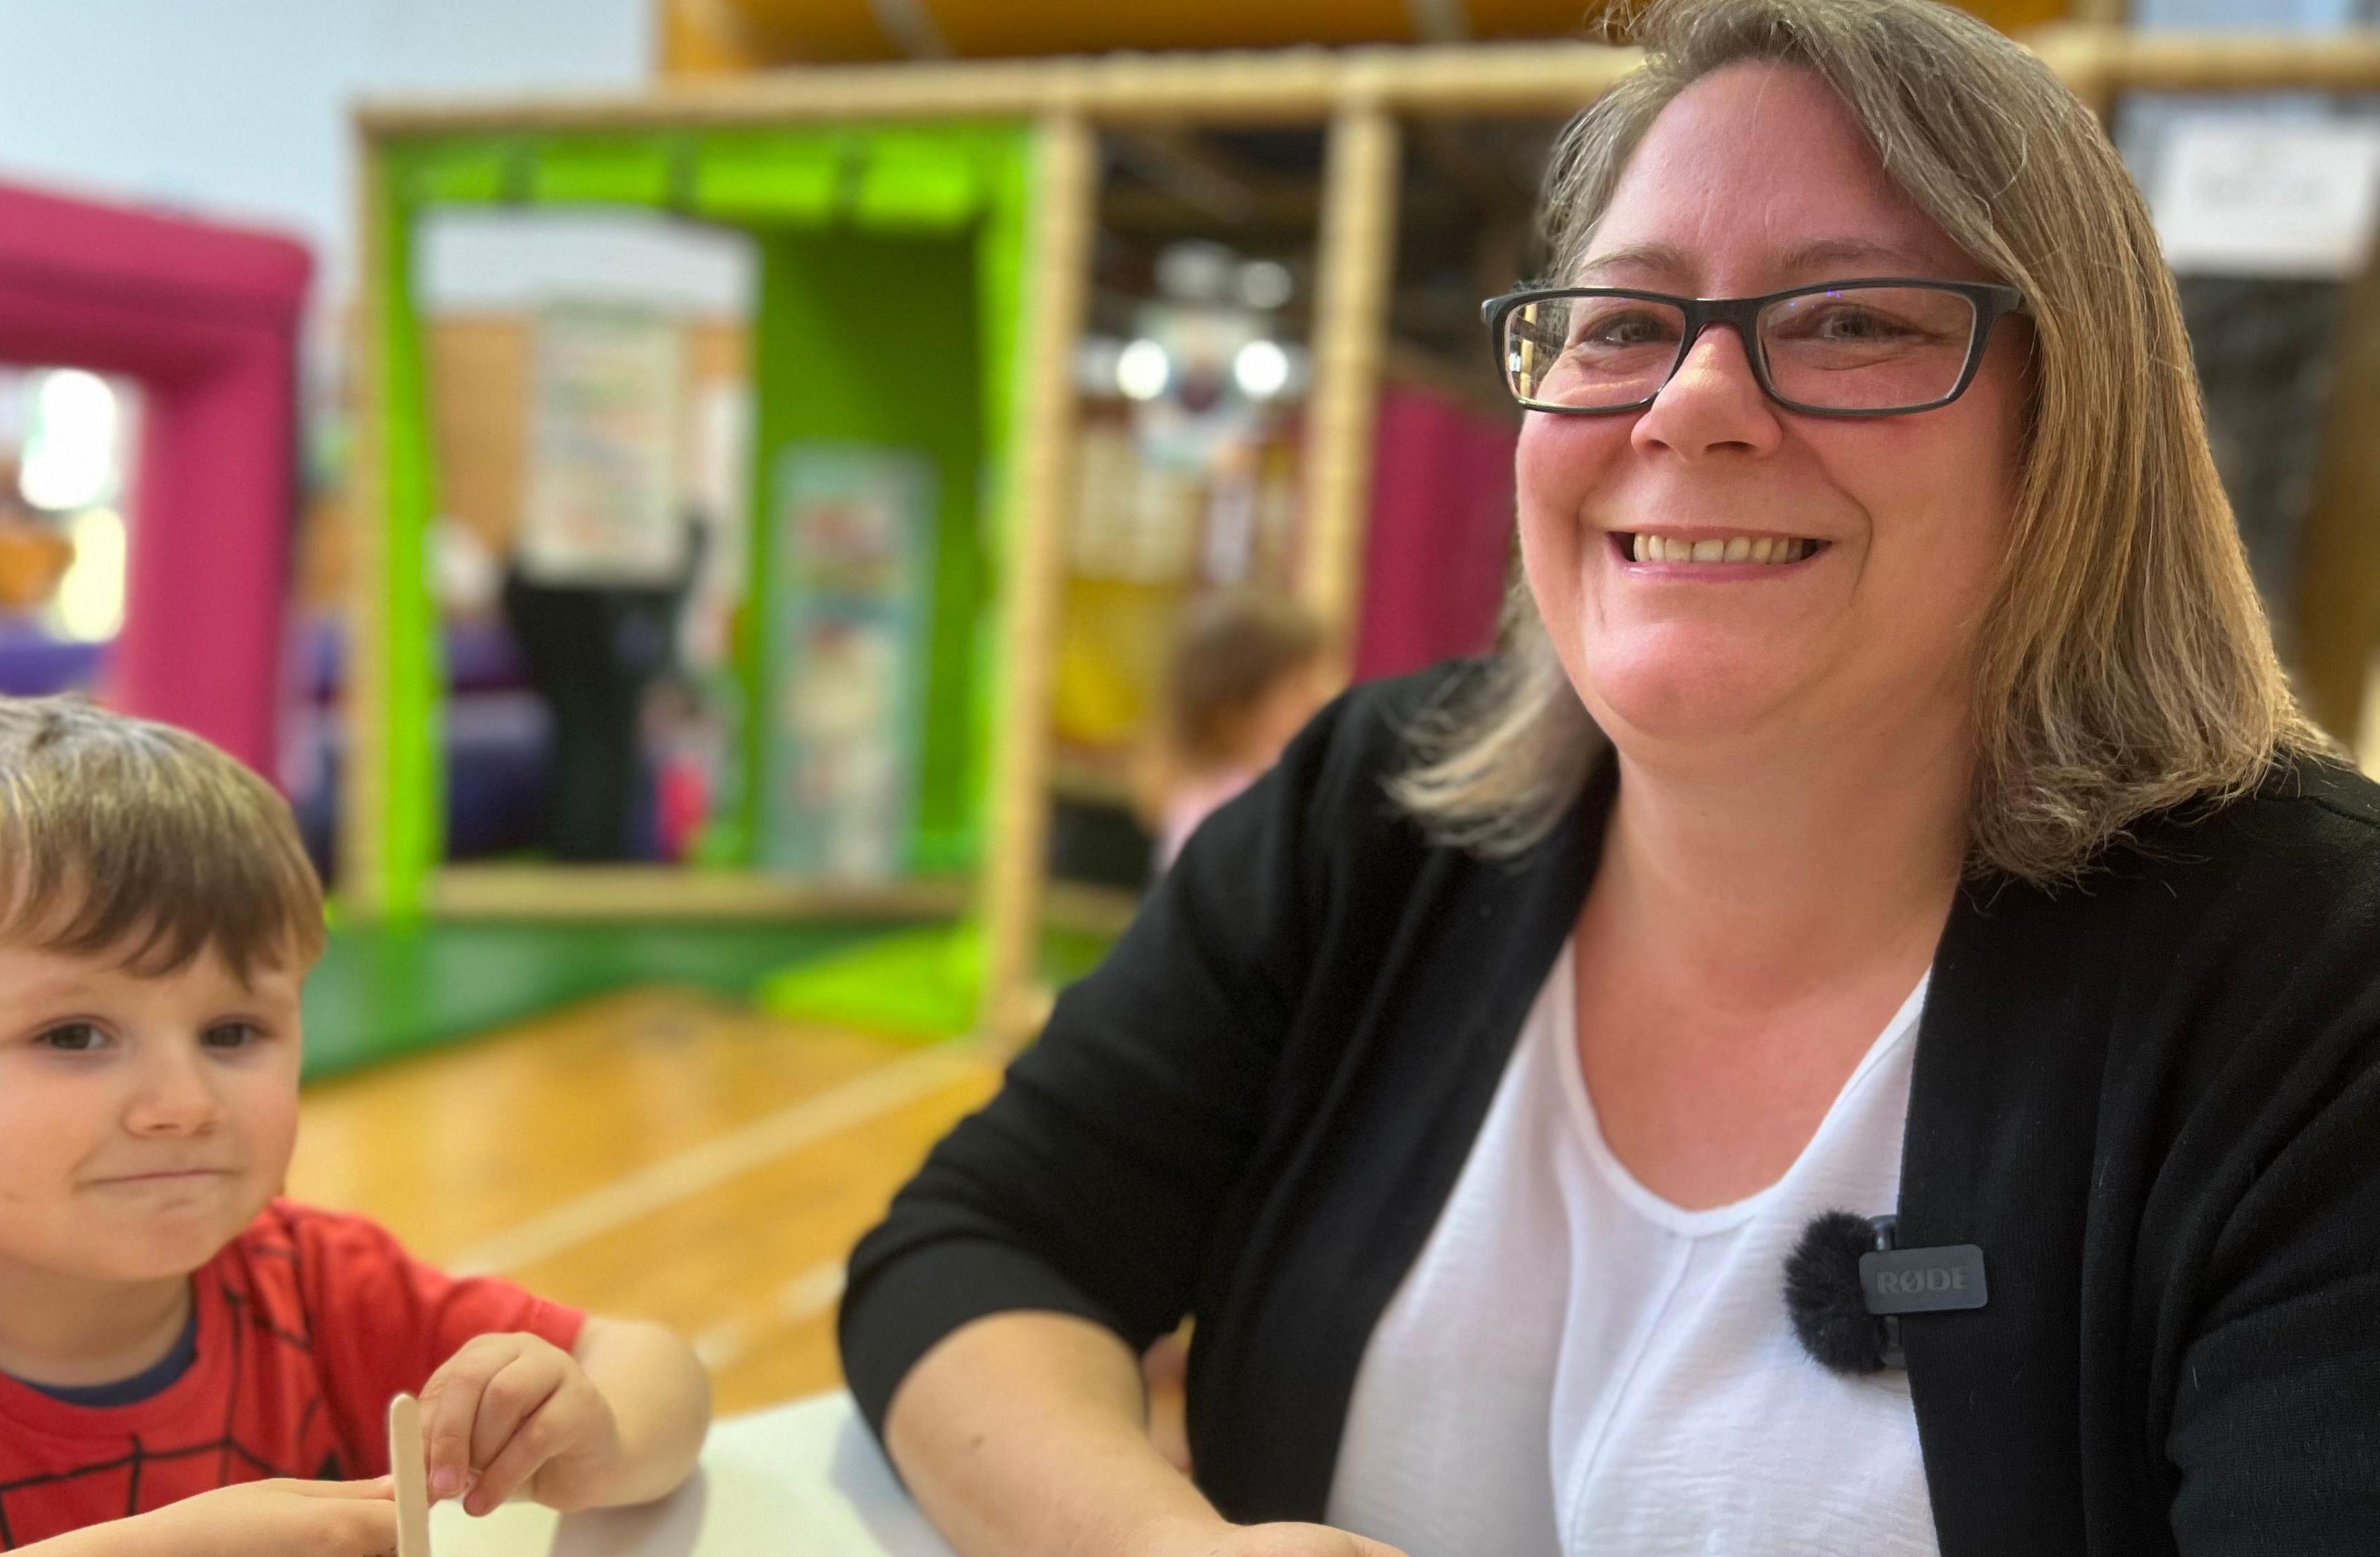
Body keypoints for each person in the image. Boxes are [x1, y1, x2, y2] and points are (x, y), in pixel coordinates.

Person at [838, 2, 2380, 1554]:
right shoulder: (1380, 809)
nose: (1689, 403)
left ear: (2076, 430)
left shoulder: (2318, 982)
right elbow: (984, 1246)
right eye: (1624, 323)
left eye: (1851, 319)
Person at [0, 696, 712, 1556]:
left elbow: (656, 1366)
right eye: (77, 1036)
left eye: (234, 1032)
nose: (185, 1102)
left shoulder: (316, 1289)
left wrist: (595, 1434)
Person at [1131, 587, 1336, 875]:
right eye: (1298, 688)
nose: (1317, 698)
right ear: (1234, 709)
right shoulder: (1218, 810)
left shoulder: (1261, 784)